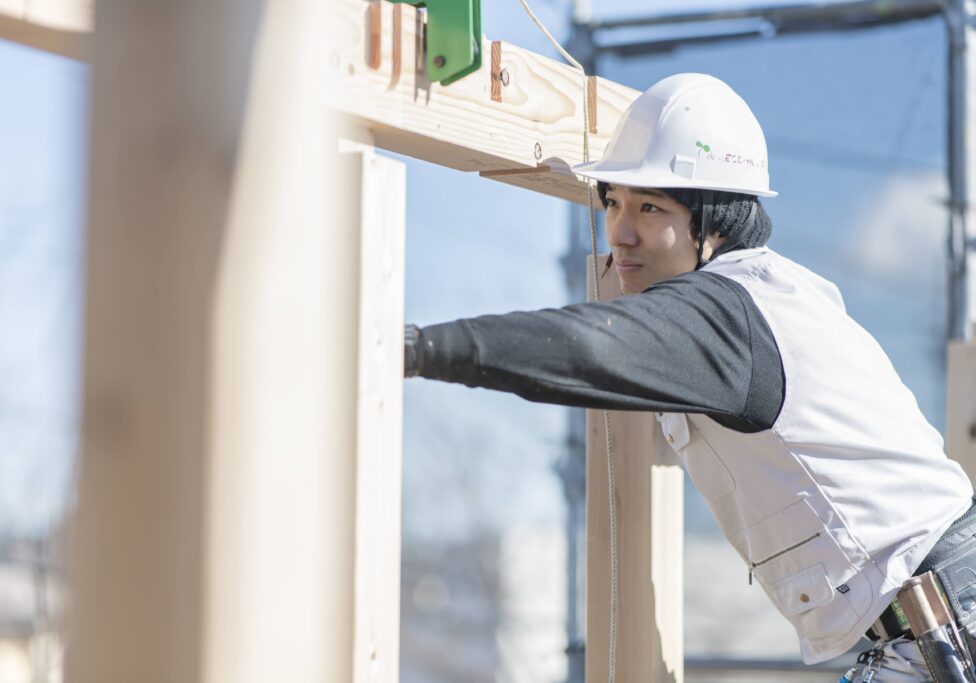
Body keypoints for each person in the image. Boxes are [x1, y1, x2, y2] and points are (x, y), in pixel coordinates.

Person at [402, 73, 976, 681]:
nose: (620, 232)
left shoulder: (726, 314)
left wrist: (419, 347)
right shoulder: (776, 297)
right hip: (935, 616)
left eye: (651, 207)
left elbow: (585, 347)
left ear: (717, 222)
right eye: (614, 202)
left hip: (946, 622)